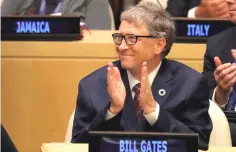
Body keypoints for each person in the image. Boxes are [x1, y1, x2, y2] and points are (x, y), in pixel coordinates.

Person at [72, 1, 212, 150]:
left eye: (132, 38)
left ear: (159, 45)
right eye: (119, 37)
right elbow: (78, 145)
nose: (122, 47)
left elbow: (199, 144)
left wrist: (154, 112)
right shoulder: (92, 86)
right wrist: (112, 111)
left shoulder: (190, 84)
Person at [202, 0, 236, 146]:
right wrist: (222, 92)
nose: (228, 1)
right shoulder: (217, 44)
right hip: (227, 127)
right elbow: (203, 99)